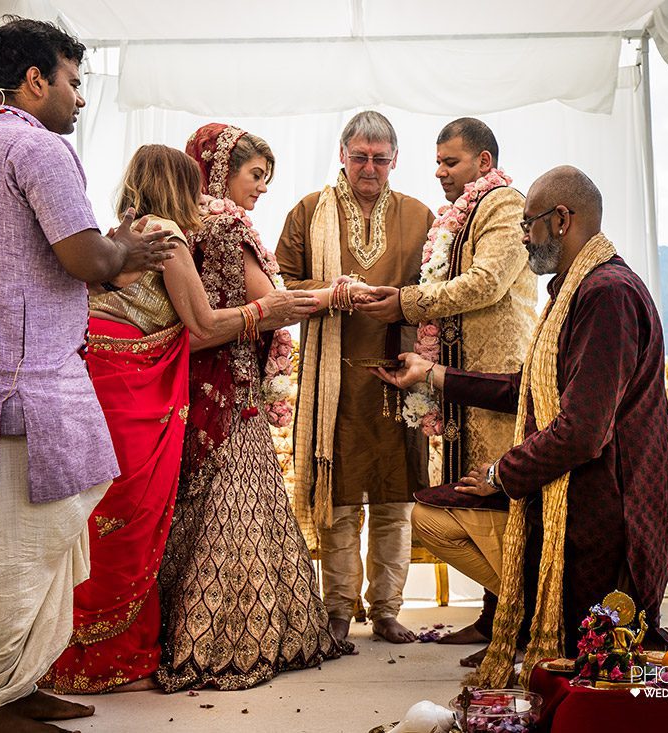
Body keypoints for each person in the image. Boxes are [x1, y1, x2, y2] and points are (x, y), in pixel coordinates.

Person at [0, 18, 177, 733]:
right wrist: (134, 245)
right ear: (36, 80)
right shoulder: (37, 145)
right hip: (23, 389)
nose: (80, 99)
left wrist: (115, 251)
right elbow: (86, 260)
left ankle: (15, 688)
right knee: (15, 553)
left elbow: (30, 266)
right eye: (74, 81)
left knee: (18, 546)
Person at [375, 165, 668, 686]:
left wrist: (499, 474)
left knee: (613, 659)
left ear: (561, 220)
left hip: (605, 514)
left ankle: (542, 609)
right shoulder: (575, 291)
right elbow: (526, 390)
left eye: (527, 223)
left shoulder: (607, 294)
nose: (522, 236)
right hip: (570, 496)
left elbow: (583, 431)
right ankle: (534, 607)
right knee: (432, 513)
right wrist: (434, 375)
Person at [42, 145, 318, 694]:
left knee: (96, 519)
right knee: (135, 517)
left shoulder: (115, 239)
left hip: (92, 376)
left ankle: (67, 656)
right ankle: (115, 659)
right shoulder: (165, 235)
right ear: (179, 185)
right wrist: (274, 311)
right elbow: (203, 325)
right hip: (135, 387)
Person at [155, 124, 347, 692]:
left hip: (190, 382)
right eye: (255, 175)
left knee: (195, 504)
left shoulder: (180, 228)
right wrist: (335, 294)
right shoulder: (228, 224)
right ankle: (240, 637)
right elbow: (273, 306)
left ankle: (177, 631)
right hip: (233, 385)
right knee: (240, 505)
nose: (261, 189)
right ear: (220, 172)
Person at [355, 117, 536, 658]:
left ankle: (521, 616)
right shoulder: (460, 215)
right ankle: (495, 616)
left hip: (498, 382)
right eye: (436, 162)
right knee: (467, 497)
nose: (438, 173)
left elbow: (487, 282)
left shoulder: (505, 204)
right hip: (456, 384)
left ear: (485, 162)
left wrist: (406, 302)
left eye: (449, 162)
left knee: (498, 499)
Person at [276, 111, 435, 645]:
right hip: (335, 384)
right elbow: (279, 286)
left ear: (395, 161)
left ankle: (388, 609)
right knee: (339, 501)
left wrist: (404, 307)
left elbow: (436, 293)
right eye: (360, 156)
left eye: (380, 158)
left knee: (395, 500)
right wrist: (335, 289)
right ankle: (338, 608)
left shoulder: (420, 216)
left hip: (400, 378)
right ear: (342, 154)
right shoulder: (308, 213)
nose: (369, 167)